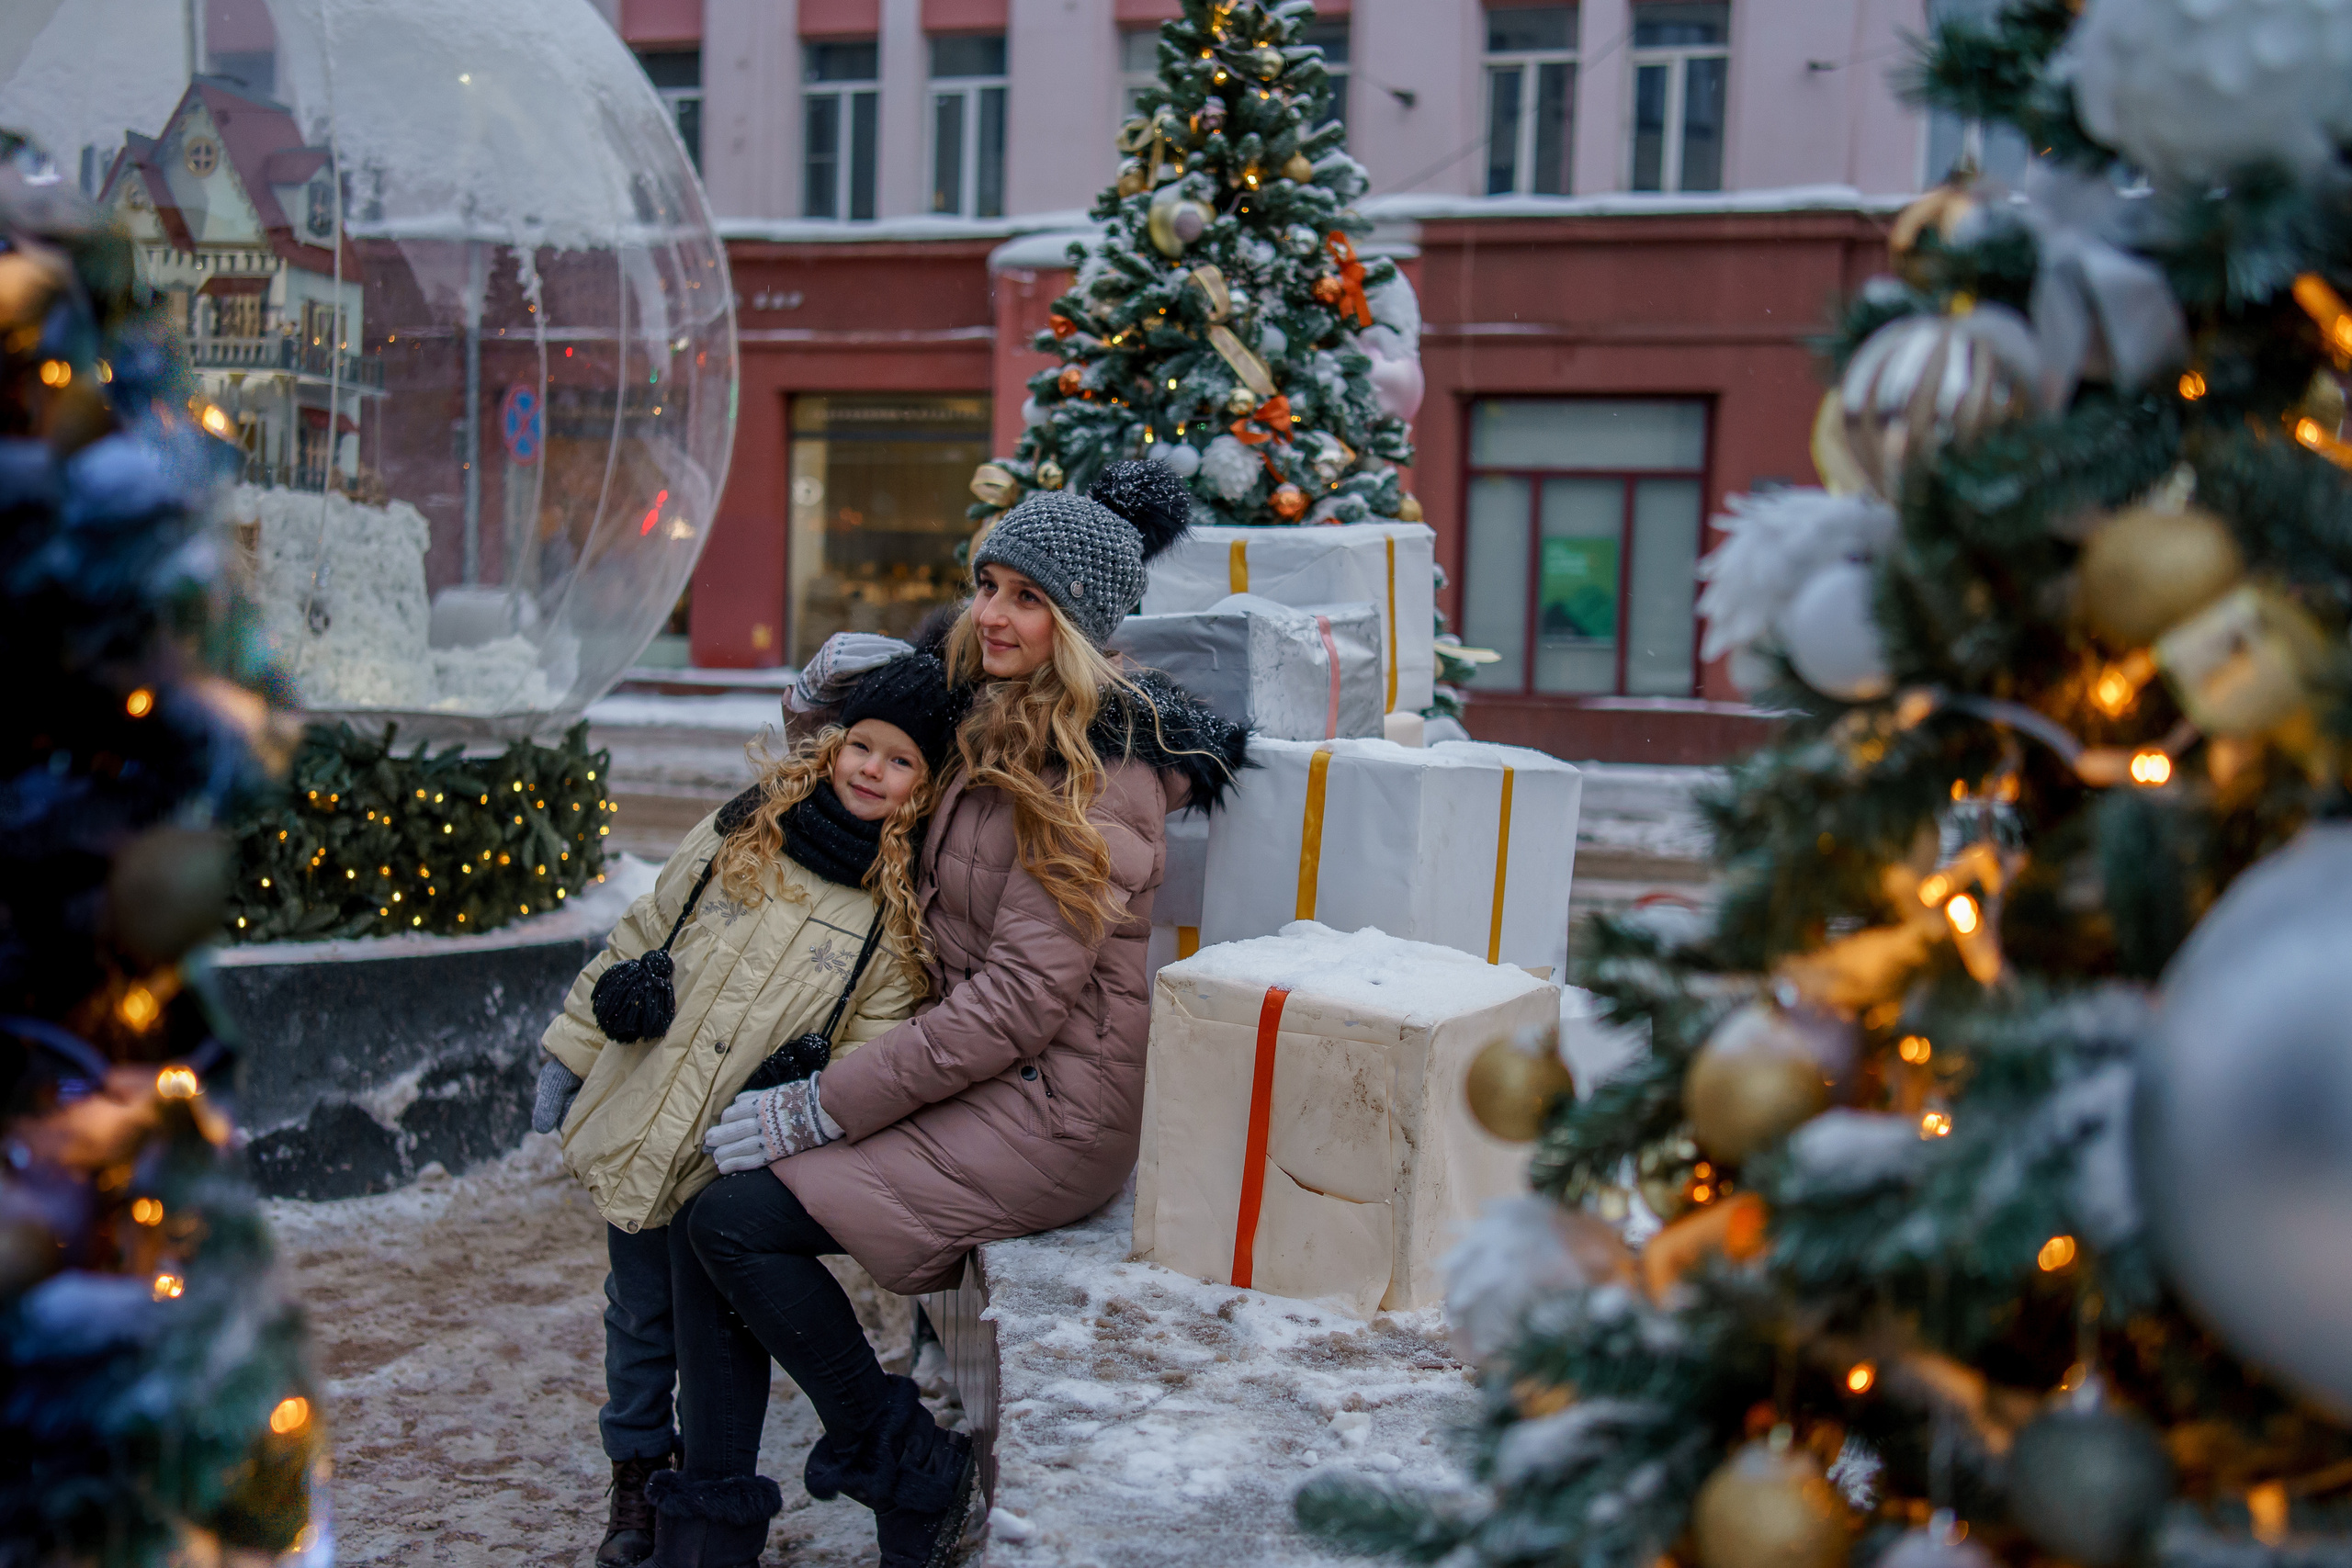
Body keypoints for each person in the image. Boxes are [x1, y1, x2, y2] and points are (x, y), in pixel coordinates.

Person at [651, 462, 1249, 1568]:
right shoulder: (980, 712)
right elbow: (849, 788)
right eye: (987, 585)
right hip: (974, 1073)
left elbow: (1022, 1007)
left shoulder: (1096, 768)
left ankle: (903, 1462)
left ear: (1077, 623)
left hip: (1048, 1108)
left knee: (734, 1224)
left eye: (1027, 597)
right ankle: (709, 1526)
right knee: (704, 1206)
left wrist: (815, 1109)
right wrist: (812, 706)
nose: (992, 614)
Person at [531, 651, 962, 1568]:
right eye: (862, 745)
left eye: (900, 762)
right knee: (637, 1315)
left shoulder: (894, 911)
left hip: (736, 1151)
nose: (869, 770)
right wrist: (572, 1049)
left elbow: (869, 1049)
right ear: (837, 742)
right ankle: (639, 1473)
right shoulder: (748, 823)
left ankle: (709, 1488)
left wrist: (810, 1117)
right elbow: (644, 932)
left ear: (927, 787)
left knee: (713, 1330)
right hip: (646, 1113)